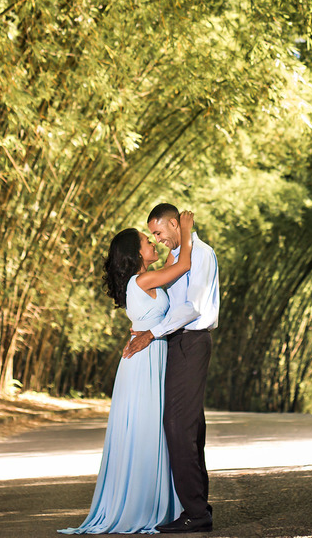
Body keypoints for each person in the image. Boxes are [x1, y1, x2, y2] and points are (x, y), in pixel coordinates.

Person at [61, 212, 195, 535]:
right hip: (145, 361)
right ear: (137, 254)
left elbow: (153, 305)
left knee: (149, 431)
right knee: (147, 431)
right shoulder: (141, 280)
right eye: (146, 240)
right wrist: (187, 233)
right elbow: (184, 267)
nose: (152, 242)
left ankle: (152, 502)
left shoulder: (142, 280)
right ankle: (144, 506)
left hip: (146, 357)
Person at [122, 203, 220, 534]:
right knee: (189, 425)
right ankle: (197, 505)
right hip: (175, 343)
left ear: (175, 225)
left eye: (159, 232)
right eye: (152, 236)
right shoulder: (177, 258)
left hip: (191, 341)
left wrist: (152, 332)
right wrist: (147, 330)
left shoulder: (200, 254)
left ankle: (195, 512)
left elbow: (193, 306)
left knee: (178, 424)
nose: (158, 239)